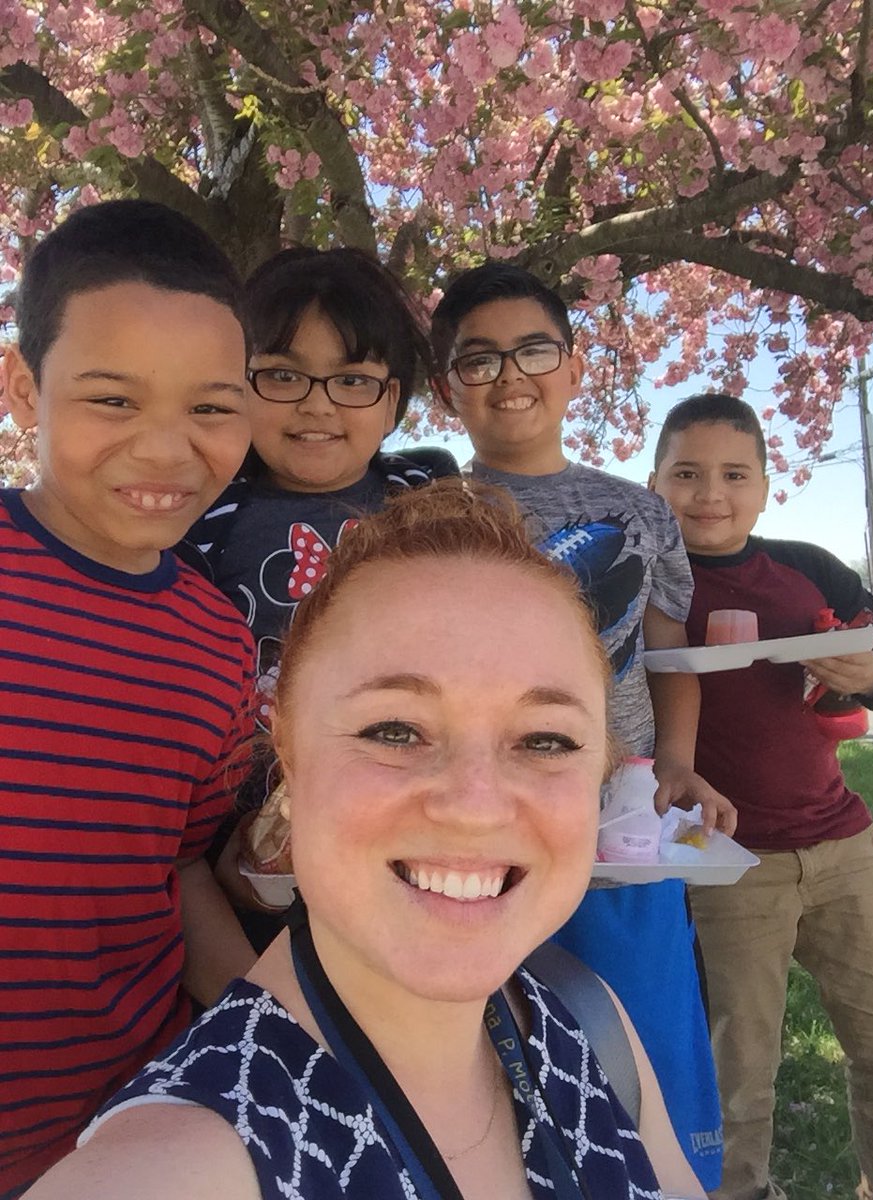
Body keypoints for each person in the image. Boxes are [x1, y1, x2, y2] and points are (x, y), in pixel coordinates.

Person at [24, 481, 706, 1200]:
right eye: (394, 730)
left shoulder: (592, 1026)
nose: (474, 807)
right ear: (287, 753)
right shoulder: (182, 1167)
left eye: (545, 740)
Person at [431, 263, 734, 1191]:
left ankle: (666, 1168)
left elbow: (667, 649)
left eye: (532, 350)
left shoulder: (640, 512)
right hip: (489, 807)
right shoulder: (438, 511)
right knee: (498, 1019)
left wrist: (675, 764)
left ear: (574, 369)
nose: (508, 374)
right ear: (448, 389)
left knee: (638, 1012)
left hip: (620, 810)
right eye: (476, 360)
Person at [0, 199, 259, 1198]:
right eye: (113, 400)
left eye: (209, 408)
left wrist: (261, 1026)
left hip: (130, 1140)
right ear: (25, 387)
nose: (166, 450)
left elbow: (180, 862)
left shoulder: (217, 642)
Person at [649, 392, 873, 1200]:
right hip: (725, 862)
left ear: (763, 486)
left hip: (842, 845)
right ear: (655, 482)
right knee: (737, 1075)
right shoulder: (648, 583)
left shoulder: (808, 568)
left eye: (733, 475)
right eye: (686, 473)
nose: (709, 494)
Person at [181, 247, 457, 946]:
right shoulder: (196, 515)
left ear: (393, 400)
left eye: (353, 381)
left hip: (405, 825)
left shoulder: (428, 505)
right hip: (236, 850)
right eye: (282, 375)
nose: (317, 403)